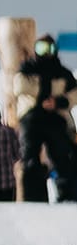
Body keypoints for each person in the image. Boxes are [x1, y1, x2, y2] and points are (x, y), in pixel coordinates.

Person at [10, 34, 77, 202]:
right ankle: (33, 196)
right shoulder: (27, 68)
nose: (46, 53)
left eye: (49, 49)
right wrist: (47, 92)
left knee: (62, 156)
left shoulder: (63, 72)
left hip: (56, 117)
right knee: (30, 157)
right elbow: (19, 86)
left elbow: (75, 93)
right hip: (31, 117)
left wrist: (59, 101)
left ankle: (67, 194)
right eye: (41, 48)